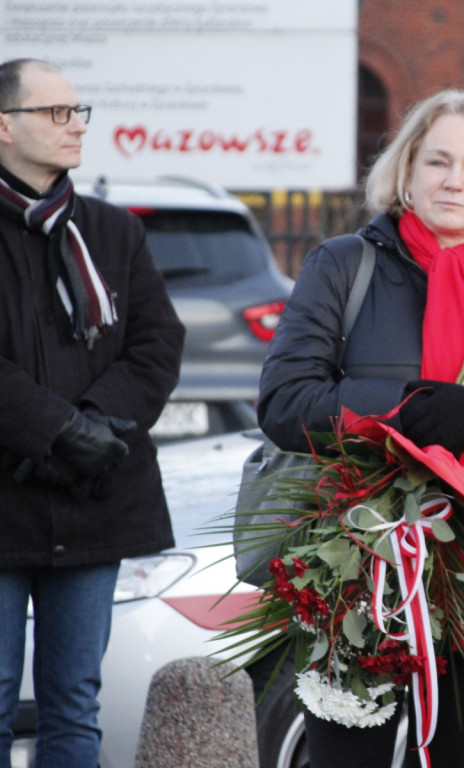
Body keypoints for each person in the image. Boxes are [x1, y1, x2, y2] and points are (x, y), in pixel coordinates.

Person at [258, 88, 464, 768]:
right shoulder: (344, 265)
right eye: (438, 161)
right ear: (407, 171)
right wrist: (400, 411)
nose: (453, 180)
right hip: (356, 568)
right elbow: (285, 401)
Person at [0, 58, 184, 768]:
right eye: (57, 113)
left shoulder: (110, 230)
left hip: (95, 499)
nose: (76, 125)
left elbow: (158, 341)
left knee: (74, 705)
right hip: (7, 503)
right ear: (6, 126)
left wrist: (96, 424)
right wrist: (57, 431)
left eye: (80, 111)